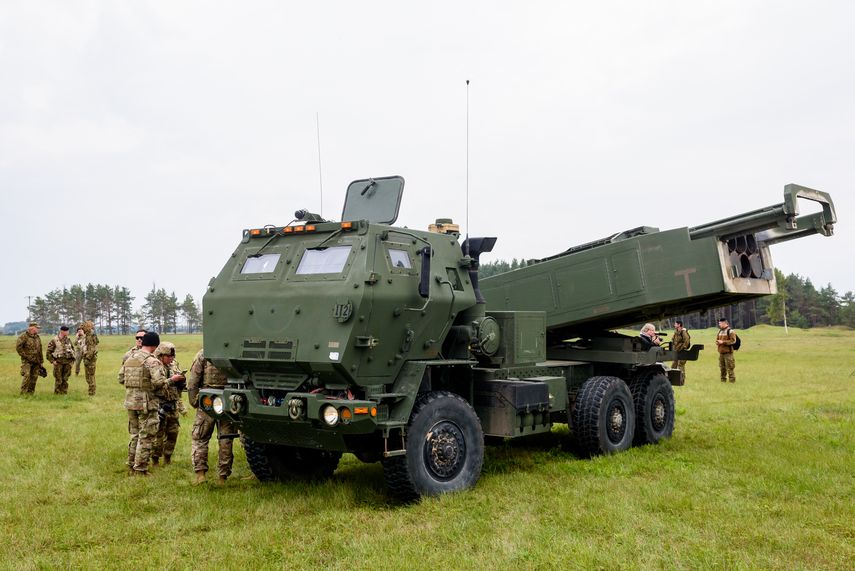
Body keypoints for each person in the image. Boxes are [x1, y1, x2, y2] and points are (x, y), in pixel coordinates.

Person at [120, 331, 174, 475]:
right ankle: (141, 469)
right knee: (146, 436)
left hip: (130, 402)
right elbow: (158, 382)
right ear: (155, 346)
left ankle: (131, 464)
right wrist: (171, 380)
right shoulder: (152, 361)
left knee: (135, 434)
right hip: (146, 403)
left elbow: (121, 378)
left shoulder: (130, 358)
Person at [188, 349, 234, 485]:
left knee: (200, 437)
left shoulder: (204, 353)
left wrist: (194, 401)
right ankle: (223, 476)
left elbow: (193, 380)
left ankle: (200, 474)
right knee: (226, 438)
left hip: (207, 400)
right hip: (227, 399)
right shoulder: (232, 352)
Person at [151, 342, 187, 467]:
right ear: (161, 355)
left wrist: (181, 382)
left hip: (172, 405)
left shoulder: (173, 365)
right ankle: (155, 459)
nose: (171, 359)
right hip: (159, 405)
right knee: (158, 435)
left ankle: (167, 457)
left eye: (173, 356)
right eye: (169, 356)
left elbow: (179, 388)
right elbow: (156, 386)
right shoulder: (155, 366)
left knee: (173, 433)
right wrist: (172, 380)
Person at [47, 325, 76, 395]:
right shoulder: (54, 340)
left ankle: (64, 393)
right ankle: (57, 393)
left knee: (65, 379)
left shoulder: (68, 339)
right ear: (62, 331)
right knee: (58, 379)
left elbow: (72, 349)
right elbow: (48, 352)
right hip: (58, 362)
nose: (68, 332)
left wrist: (72, 361)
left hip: (68, 362)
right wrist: (52, 361)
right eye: (67, 331)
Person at [16, 322, 44, 395]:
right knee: (27, 375)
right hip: (27, 361)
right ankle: (23, 393)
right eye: (37, 328)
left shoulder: (37, 337)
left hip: (36, 361)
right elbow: (19, 348)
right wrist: (26, 356)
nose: (38, 329)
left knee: (34, 377)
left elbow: (40, 349)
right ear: (32, 328)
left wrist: (41, 361)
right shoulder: (23, 336)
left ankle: (30, 394)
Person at [80, 320, 99, 396]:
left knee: (90, 376)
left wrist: (87, 358)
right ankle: (91, 391)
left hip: (90, 358)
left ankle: (91, 392)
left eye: (83, 327)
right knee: (89, 376)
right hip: (90, 357)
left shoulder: (90, 336)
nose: (82, 329)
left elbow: (91, 348)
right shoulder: (90, 334)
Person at [716, 317, 737, 383]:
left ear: (724, 323)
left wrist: (723, 342)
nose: (719, 324)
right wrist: (717, 342)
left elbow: (733, 341)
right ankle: (723, 381)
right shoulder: (720, 331)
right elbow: (717, 339)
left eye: (720, 323)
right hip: (721, 353)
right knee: (722, 368)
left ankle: (732, 382)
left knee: (730, 368)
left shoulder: (730, 331)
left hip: (728, 353)